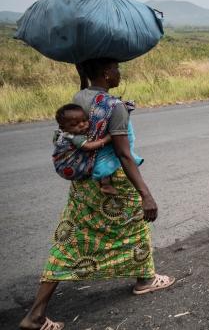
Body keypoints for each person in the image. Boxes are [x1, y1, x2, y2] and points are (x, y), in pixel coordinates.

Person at [21, 58, 173, 330]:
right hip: (111, 178)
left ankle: (36, 314)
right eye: (116, 68)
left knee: (70, 237)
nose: (119, 72)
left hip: (84, 182)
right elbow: (124, 154)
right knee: (136, 226)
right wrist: (146, 194)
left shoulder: (80, 96)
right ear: (106, 72)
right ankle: (145, 280)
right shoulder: (114, 107)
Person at [52, 103, 115, 195]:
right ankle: (105, 185)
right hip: (70, 167)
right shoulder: (73, 137)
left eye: (84, 120)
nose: (82, 125)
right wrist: (106, 139)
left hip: (62, 169)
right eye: (74, 124)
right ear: (63, 128)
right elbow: (87, 147)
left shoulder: (59, 135)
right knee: (103, 159)